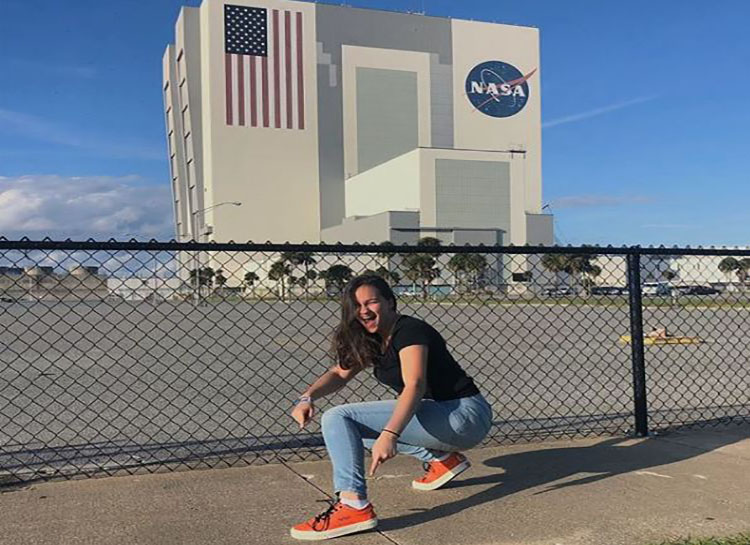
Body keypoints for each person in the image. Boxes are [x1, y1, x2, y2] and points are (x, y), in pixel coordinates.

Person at [289, 274, 493, 540]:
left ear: (389, 302)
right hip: (444, 417)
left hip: (462, 414)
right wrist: (307, 397)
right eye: (357, 305)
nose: (364, 310)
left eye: (371, 302)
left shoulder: (409, 331)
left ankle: (353, 506)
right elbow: (339, 374)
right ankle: (442, 460)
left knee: (338, 418)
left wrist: (390, 435)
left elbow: (414, 385)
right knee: (351, 429)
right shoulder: (373, 339)